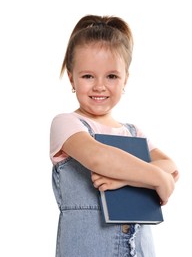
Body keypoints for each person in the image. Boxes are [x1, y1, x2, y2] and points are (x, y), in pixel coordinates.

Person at [50, 14, 179, 257]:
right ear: (71, 78)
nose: (99, 86)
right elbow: (98, 158)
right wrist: (156, 178)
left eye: (111, 76)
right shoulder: (67, 124)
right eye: (88, 76)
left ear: (125, 79)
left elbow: (170, 166)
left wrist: (125, 179)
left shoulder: (133, 132)